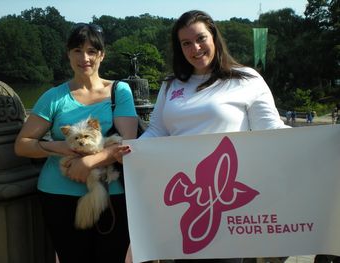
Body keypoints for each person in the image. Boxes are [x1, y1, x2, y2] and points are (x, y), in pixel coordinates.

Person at [121, 10, 289, 263]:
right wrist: (130, 150)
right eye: (186, 43)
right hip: (183, 198)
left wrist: (319, 140)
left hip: (226, 197)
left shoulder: (247, 79)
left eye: (201, 39)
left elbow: (271, 130)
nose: (195, 48)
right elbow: (157, 131)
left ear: (214, 37)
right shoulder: (171, 85)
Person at [14, 23, 138, 263]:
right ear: (68, 54)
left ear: (102, 54)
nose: (85, 58)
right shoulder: (54, 97)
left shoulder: (119, 92)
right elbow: (22, 144)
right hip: (58, 195)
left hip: (111, 194)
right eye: (77, 51)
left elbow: (128, 144)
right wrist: (58, 147)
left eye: (92, 51)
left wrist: (90, 161)